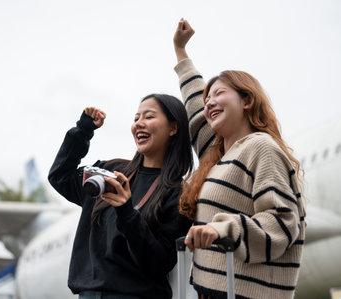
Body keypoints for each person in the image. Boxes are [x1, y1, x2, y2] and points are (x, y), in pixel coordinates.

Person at [173, 19, 306, 299]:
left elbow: (283, 223)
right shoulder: (219, 155)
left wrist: (224, 228)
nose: (209, 102)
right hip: (211, 292)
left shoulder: (261, 148)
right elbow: (196, 105)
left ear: (247, 101)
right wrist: (180, 51)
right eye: (208, 98)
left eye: (219, 93)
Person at [48, 94, 193, 299]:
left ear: (173, 127)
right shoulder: (110, 172)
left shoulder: (179, 193)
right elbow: (60, 176)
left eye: (149, 117)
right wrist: (83, 131)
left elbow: (159, 263)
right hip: (89, 294)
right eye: (136, 119)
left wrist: (127, 211)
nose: (139, 124)